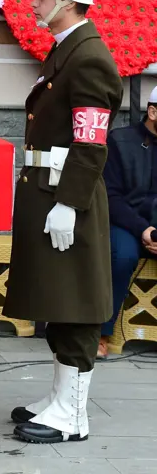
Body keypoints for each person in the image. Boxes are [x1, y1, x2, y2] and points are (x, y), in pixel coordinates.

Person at [3, 0, 123, 445]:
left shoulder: (88, 57)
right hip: (49, 190)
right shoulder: (68, 50)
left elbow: (91, 142)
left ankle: (72, 415)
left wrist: (69, 203)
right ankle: (58, 398)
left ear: (68, 1)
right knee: (57, 299)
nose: (35, 1)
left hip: (66, 196)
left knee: (74, 305)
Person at [96, 86, 157, 357]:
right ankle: (101, 333)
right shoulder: (120, 141)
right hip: (126, 223)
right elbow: (110, 197)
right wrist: (143, 229)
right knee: (122, 257)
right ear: (153, 112)